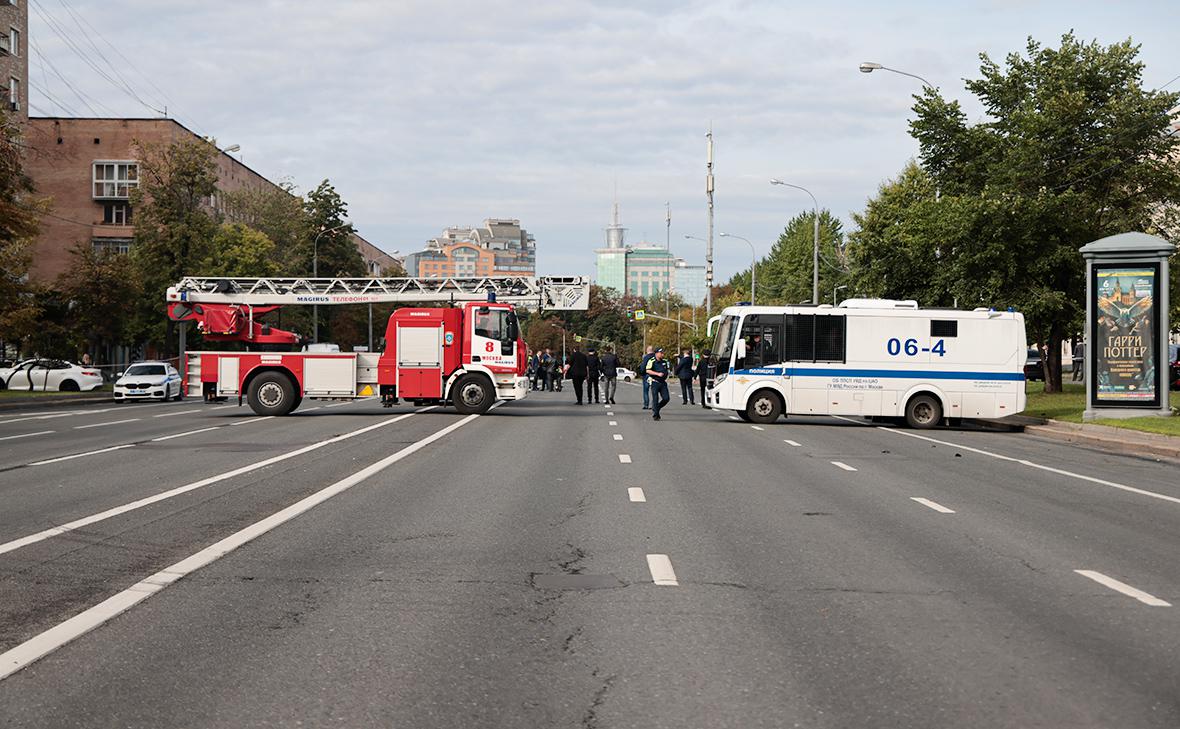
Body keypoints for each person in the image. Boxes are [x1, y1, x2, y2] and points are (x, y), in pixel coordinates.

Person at [646, 348, 671, 421]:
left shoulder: (665, 361)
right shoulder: (652, 361)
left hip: (663, 382)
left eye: (663, 353)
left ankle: (657, 407)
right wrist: (657, 374)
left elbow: (667, 369)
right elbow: (648, 370)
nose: (662, 354)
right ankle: (656, 415)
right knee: (655, 399)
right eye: (661, 353)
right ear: (656, 353)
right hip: (655, 382)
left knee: (666, 398)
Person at [639, 345, 656, 410]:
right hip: (654, 375)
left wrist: (642, 373)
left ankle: (646, 404)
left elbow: (643, 366)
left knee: (646, 390)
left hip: (646, 375)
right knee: (654, 391)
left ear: (647, 350)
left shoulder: (646, 357)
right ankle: (653, 405)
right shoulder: (655, 357)